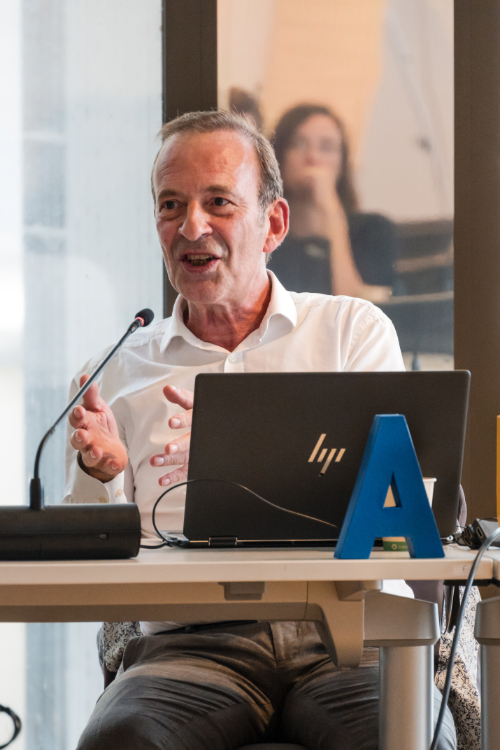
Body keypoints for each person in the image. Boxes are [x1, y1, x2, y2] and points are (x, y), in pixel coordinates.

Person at [64, 110, 456, 749]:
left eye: (218, 202)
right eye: (170, 204)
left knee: (414, 739)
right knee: (120, 741)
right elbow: (91, 560)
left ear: (273, 223)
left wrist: (253, 450)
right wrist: (99, 473)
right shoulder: (116, 369)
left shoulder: (351, 333)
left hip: (345, 642)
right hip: (189, 650)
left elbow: (398, 510)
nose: (191, 226)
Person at [268, 104, 397, 304]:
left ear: (342, 163)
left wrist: (331, 209)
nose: (313, 157)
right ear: (279, 157)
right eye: (298, 144)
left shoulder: (373, 230)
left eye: (326, 147)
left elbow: (357, 311)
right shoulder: (264, 237)